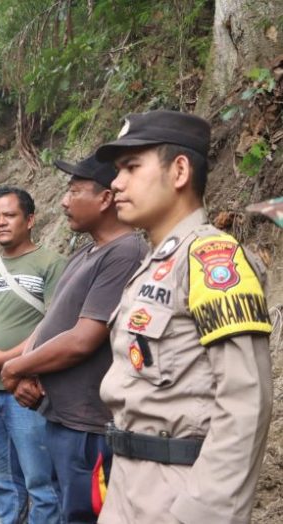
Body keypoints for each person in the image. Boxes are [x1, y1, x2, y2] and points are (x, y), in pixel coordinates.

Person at [95, 110, 273, 523]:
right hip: (128, 483)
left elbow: (246, 404)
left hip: (178, 493)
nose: (116, 182)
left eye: (131, 168)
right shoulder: (156, 263)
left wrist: (204, 512)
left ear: (178, 171)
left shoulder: (213, 260)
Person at [0, 157, 147, 523]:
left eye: (75, 191)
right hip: (64, 419)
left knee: (88, 514)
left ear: (106, 199)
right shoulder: (86, 251)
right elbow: (52, 322)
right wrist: (27, 371)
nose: (64, 201)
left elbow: (84, 338)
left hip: (89, 427)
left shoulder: (125, 253)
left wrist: (14, 366)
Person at [0, 186, 66, 524]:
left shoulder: (50, 264)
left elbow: (54, 327)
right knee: (2, 480)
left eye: (9, 215)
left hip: (26, 393)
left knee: (41, 482)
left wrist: (6, 358)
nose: (0, 223)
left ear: (31, 219)